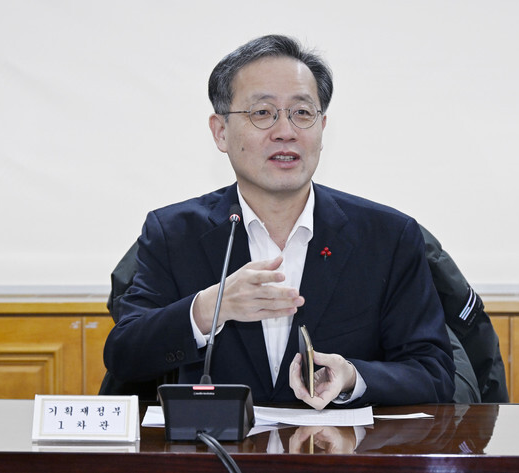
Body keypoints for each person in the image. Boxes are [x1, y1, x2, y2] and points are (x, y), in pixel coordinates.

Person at [103, 35, 455, 409]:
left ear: (322, 128)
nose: (285, 131)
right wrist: (208, 309)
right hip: (216, 445)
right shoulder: (173, 233)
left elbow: (434, 375)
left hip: (338, 446)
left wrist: (353, 377)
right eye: (262, 113)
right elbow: (125, 355)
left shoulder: (388, 237)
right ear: (221, 132)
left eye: (302, 113)